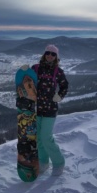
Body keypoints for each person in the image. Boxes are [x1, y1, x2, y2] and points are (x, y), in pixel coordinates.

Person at [31, 44, 68, 176]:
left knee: (46, 138)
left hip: (50, 109)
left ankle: (59, 163)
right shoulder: (36, 68)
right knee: (39, 139)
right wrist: (24, 72)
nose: (50, 56)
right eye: (48, 53)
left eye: (53, 54)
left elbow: (65, 86)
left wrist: (60, 96)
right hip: (38, 108)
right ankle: (43, 162)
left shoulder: (58, 71)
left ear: (56, 57)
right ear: (44, 54)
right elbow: (27, 80)